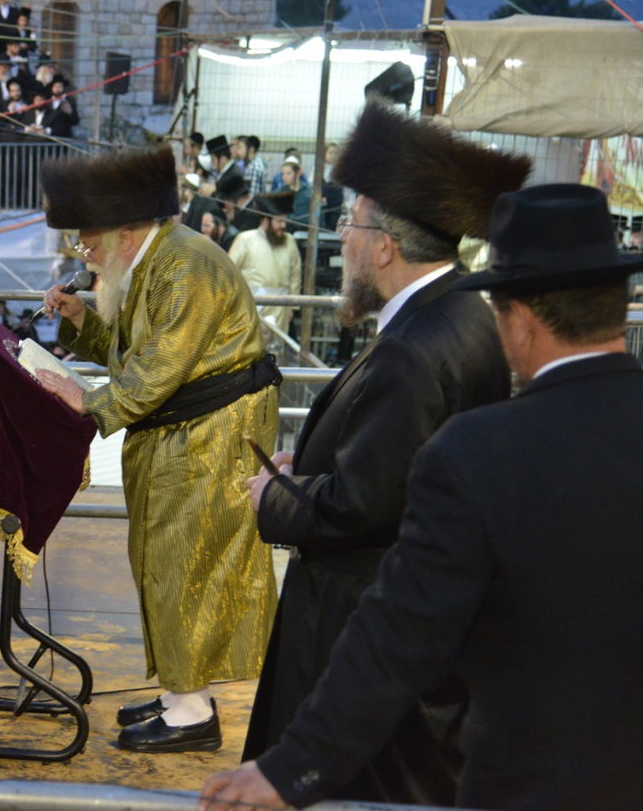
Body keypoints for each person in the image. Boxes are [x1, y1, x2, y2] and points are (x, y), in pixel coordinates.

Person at [203, 182, 643, 810]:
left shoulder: (479, 453)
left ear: (517, 317)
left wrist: (292, 768)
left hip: (522, 779)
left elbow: (398, 634)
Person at [239, 100, 529, 803]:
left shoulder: (412, 349)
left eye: (350, 223)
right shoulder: (465, 313)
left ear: (385, 245)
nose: (341, 241)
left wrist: (275, 495)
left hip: (362, 633)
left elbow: (365, 506)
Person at [34, 147, 280, 753]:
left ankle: (192, 713)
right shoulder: (155, 261)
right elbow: (131, 346)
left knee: (184, 564)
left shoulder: (185, 265)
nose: (82, 253)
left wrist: (87, 403)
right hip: (182, 433)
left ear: (124, 228)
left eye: (86, 241)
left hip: (210, 437)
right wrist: (78, 321)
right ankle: (179, 692)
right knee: (162, 560)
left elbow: (161, 362)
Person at [227, 194, 301, 335]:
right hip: (251, 306)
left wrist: (292, 307)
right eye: (279, 221)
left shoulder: (290, 241)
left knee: (277, 351)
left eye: (285, 221)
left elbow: (295, 275)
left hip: (282, 308)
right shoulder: (245, 239)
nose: (283, 225)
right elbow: (229, 273)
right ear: (266, 220)